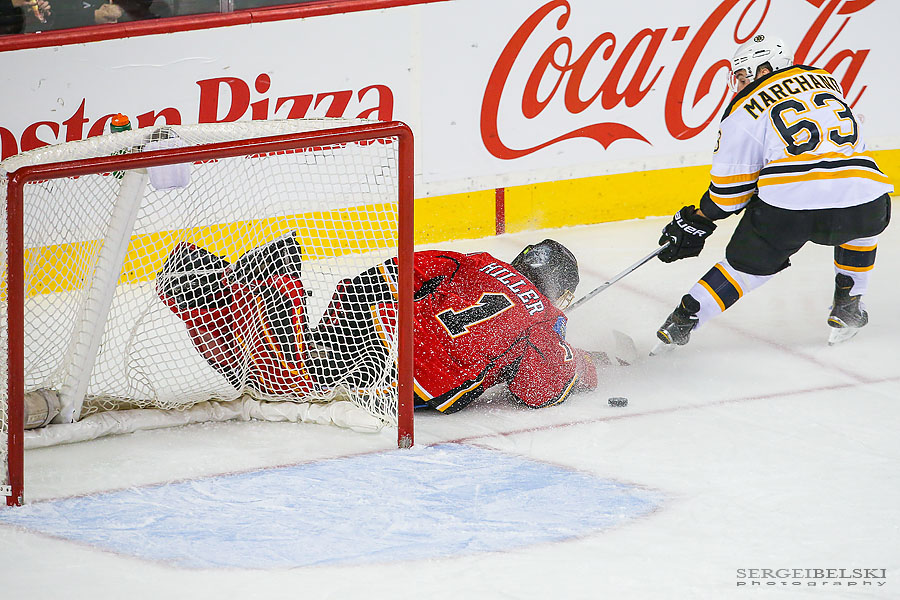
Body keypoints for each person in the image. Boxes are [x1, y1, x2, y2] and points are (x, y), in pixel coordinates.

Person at [156, 235, 607, 413]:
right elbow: (540, 389)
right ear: (558, 291)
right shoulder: (544, 318)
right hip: (401, 373)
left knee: (285, 366)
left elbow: (403, 270)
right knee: (278, 382)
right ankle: (261, 288)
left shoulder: (478, 261)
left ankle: (261, 283)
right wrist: (587, 363)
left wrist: (359, 308)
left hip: (372, 306)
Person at [652, 33, 893, 353]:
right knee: (860, 215)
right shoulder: (828, 82)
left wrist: (698, 219)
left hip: (790, 208)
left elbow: (729, 193)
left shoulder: (742, 108)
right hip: (869, 201)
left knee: (746, 265)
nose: (737, 83)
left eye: (741, 74)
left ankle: (682, 321)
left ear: (763, 69)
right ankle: (848, 305)